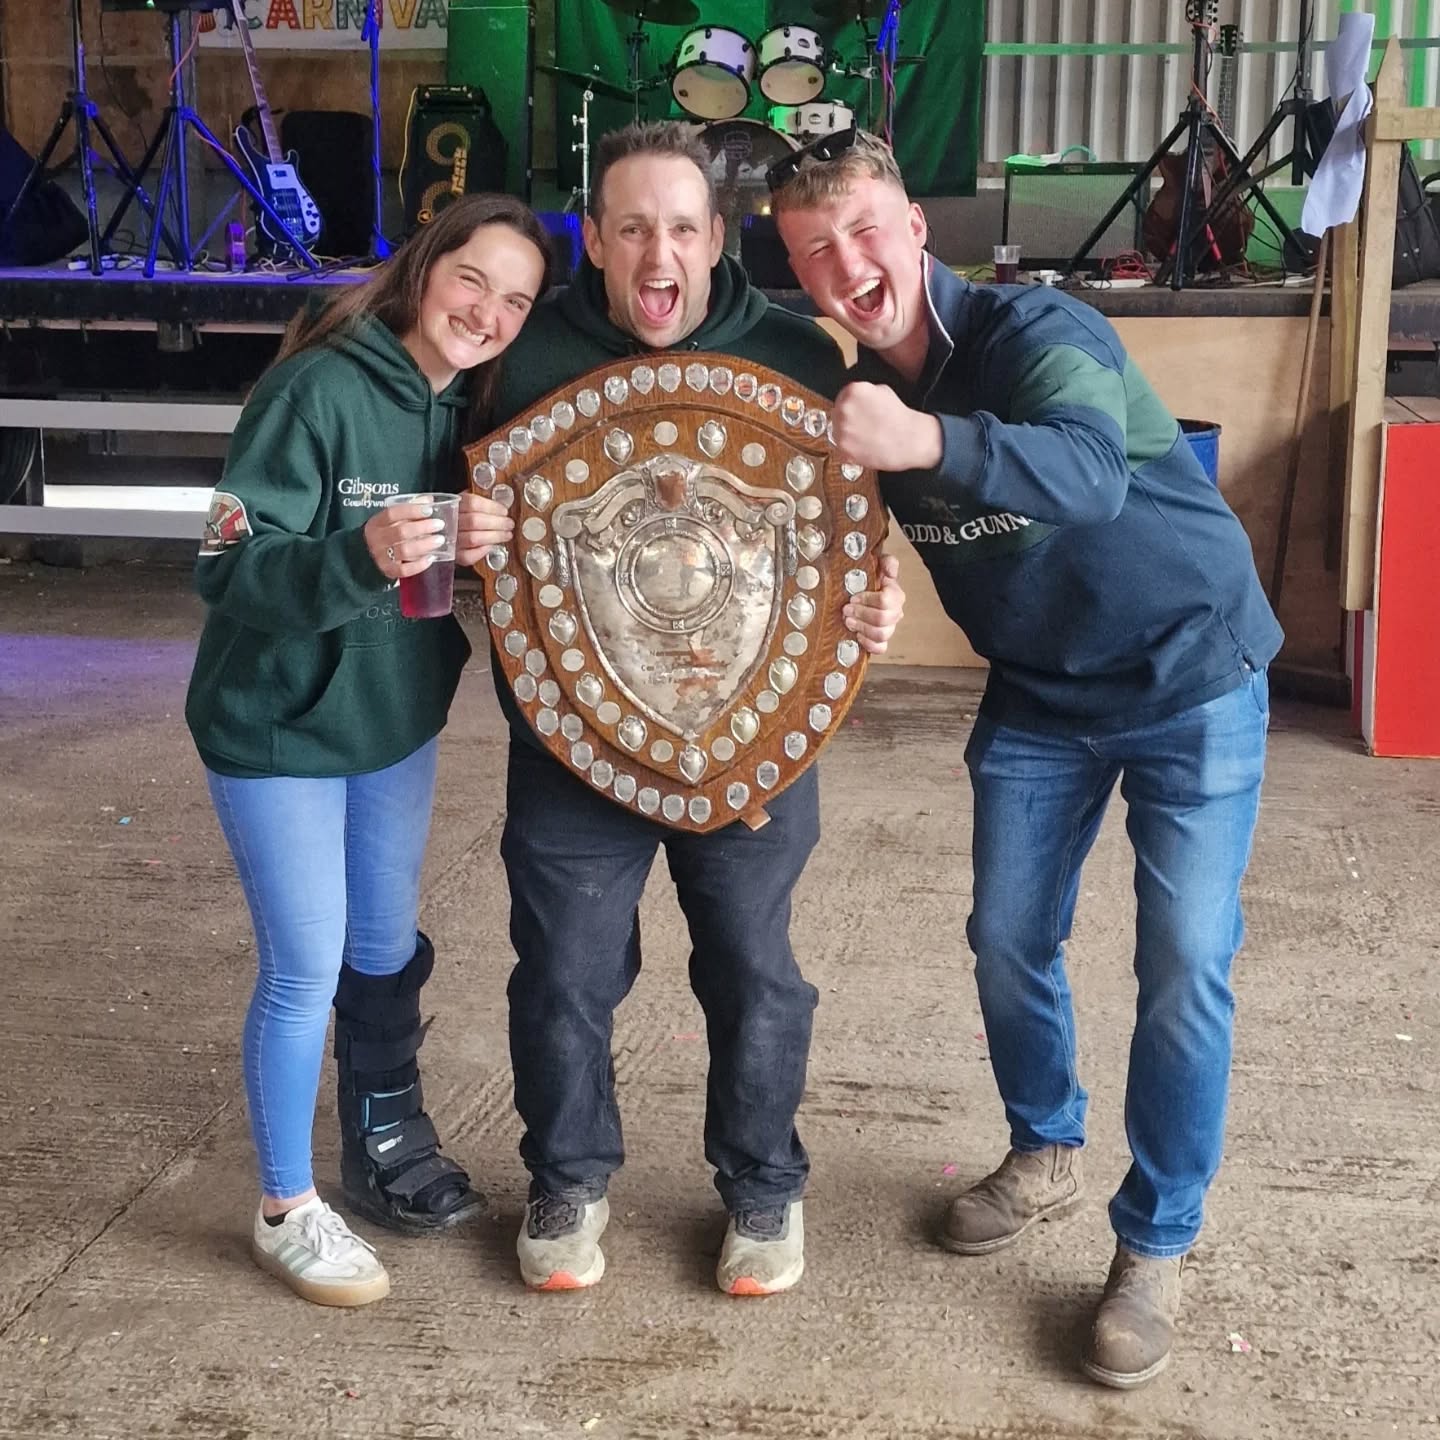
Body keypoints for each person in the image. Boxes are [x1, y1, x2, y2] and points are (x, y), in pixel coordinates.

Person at [772, 130, 1280, 1386]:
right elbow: (848, 546)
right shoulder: (851, 399)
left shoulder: (1038, 330)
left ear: (914, 227)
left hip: (1190, 671)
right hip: (1044, 690)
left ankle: (1155, 1239)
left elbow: (1093, 476)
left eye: (867, 229)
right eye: (816, 250)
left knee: (1183, 961)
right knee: (1006, 935)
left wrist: (924, 443)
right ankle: (1047, 1145)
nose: (850, 263)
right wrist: (870, 592)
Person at [487, 121, 906, 1297]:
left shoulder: (802, 356)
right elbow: (472, 508)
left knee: (752, 969)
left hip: (754, 740)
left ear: (718, 239)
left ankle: (764, 1188)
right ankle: (567, 1180)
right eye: (631, 228)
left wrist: (872, 602)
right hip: (571, 736)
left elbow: (845, 533)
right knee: (563, 972)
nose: (656, 252)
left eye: (681, 226)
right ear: (595, 240)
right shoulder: (521, 358)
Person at [185, 196, 551, 1306]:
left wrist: (485, 551)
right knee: (307, 964)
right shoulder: (319, 386)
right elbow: (221, 562)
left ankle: (383, 1144)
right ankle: (288, 1207)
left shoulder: (467, 412)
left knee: (383, 947)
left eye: (517, 301)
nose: (487, 311)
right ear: (428, 268)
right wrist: (360, 550)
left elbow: (438, 584)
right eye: (473, 279)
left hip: (391, 721)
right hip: (280, 723)